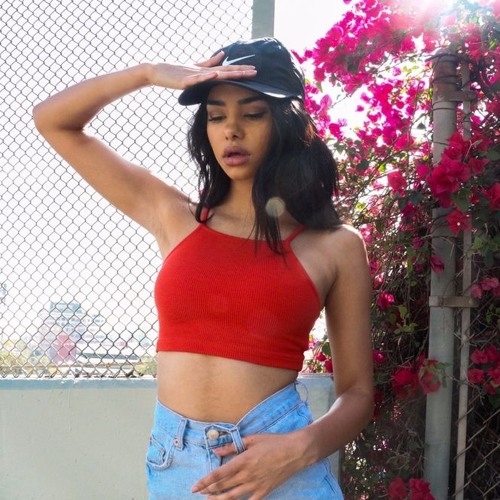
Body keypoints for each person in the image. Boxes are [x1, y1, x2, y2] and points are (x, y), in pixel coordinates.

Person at [33, 37, 374, 499]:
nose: (231, 130)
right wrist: (149, 72)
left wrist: (299, 449)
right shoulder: (174, 216)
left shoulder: (334, 246)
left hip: (280, 464)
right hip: (179, 467)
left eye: (252, 114)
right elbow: (53, 120)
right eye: (216, 116)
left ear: (287, 123)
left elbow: (357, 393)